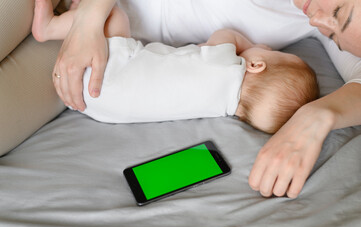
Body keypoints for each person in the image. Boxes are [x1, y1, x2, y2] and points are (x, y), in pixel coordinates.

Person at [44, 0, 361, 198]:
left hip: (103, 46)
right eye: (339, 12)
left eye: (332, 36)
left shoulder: (313, 20)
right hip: (95, 28)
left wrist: (316, 116)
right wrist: (90, 15)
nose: (319, 23)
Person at [32, 0, 318, 134]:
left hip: (103, 71)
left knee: (115, 17)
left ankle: (48, 26)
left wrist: (247, 46)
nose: (268, 47)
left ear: (255, 64)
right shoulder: (221, 107)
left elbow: (224, 34)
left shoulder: (228, 65)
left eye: (272, 53)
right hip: (97, 106)